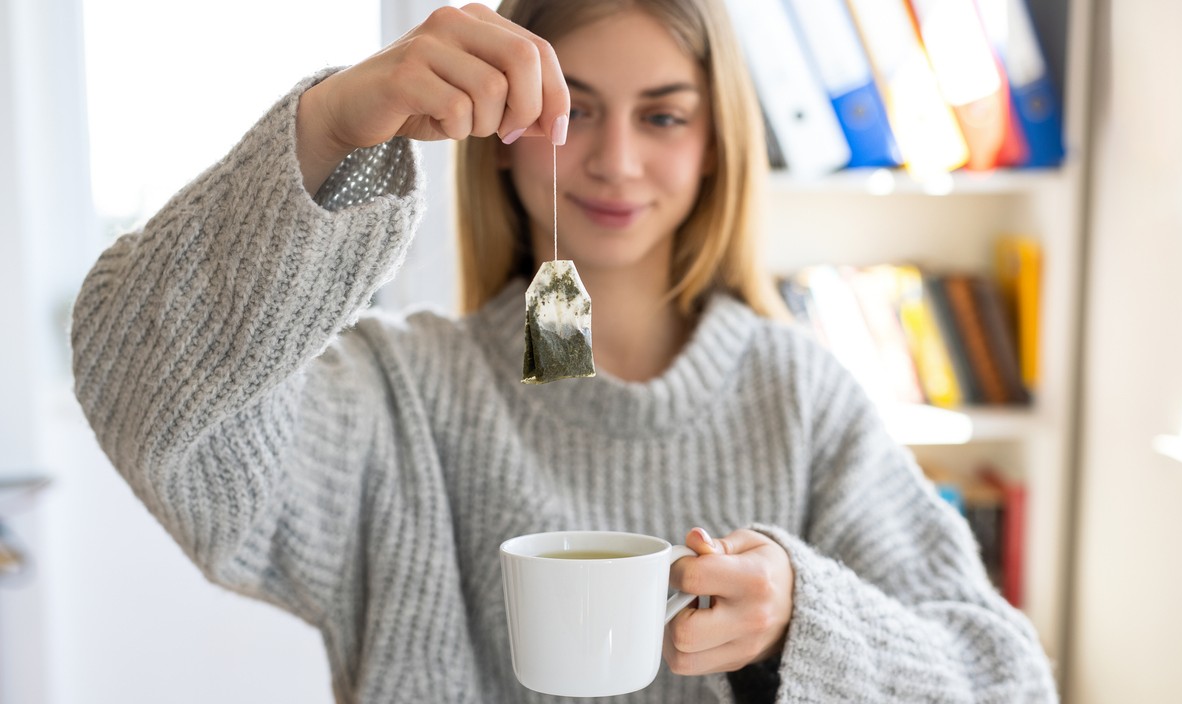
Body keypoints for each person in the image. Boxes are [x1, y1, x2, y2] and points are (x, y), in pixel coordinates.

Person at [70, 0, 1058, 702]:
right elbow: (137, 390)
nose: (614, 159)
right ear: (502, 129)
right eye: (572, 109)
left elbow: (1003, 681)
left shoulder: (796, 394)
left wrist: (803, 617)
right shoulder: (399, 395)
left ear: (714, 142)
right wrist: (327, 125)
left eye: (662, 114)